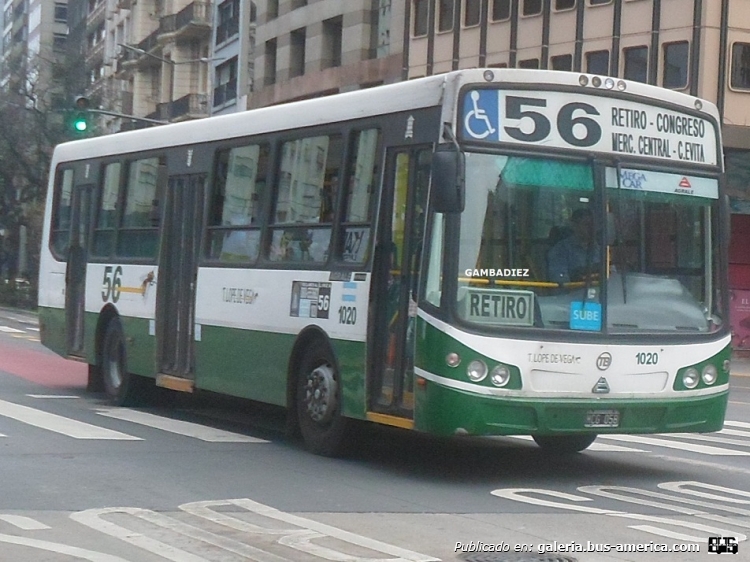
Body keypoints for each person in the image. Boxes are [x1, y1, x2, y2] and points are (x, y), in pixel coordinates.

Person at [548, 208, 600, 284]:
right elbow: (559, 281)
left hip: (602, 293)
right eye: (586, 224)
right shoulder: (560, 250)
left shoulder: (600, 248)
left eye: (593, 225)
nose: (591, 228)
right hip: (573, 294)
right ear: (574, 226)